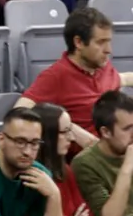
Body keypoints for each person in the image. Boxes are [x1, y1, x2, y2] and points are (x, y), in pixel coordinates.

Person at [17, 10, 133, 148]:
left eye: (109, 42)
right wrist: (69, 127)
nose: (108, 50)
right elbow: (20, 111)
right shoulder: (56, 76)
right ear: (78, 42)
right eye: (101, 42)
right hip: (89, 162)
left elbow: (122, 78)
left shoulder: (103, 66)